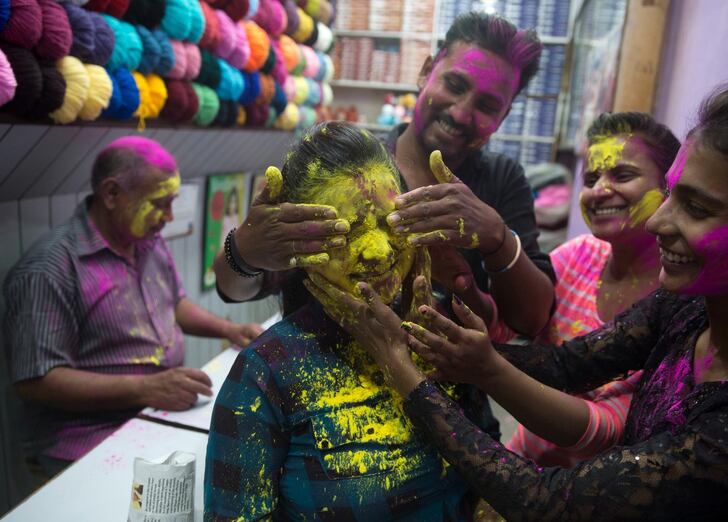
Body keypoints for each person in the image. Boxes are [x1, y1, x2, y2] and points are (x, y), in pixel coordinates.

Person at [307, 79, 728, 519]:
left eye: (696, 208)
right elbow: (567, 365)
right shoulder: (689, 307)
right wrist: (474, 351)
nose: (661, 221)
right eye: (673, 195)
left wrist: (407, 372)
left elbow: (547, 502)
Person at [214, 11, 556, 340]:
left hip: (439, 392)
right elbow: (237, 290)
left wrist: (496, 236)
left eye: (487, 106)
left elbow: (532, 321)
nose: (461, 112)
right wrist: (243, 250)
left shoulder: (501, 180)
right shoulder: (342, 171)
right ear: (426, 71)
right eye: (454, 84)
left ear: (505, 114)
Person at [204, 122, 471, 521]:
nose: (378, 251)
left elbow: (487, 475)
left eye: (388, 222)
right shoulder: (266, 373)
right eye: (347, 231)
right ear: (298, 240)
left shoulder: (442, 333)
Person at [3, 136, 263, 480]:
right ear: (112, 194)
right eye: (159, 203)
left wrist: (228, 329)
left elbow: (174, 304)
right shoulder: (50, 268)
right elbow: (37, 382)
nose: (169, 217)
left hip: (154, 412)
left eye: (173, 203)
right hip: (83, 442)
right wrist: (145, 387)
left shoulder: (146, 242)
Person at [506, 112, 680, 467]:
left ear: (670, 186)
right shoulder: (579, 254)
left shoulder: (681, 293)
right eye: (591, 178)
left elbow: (605, 432)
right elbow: (507, 324)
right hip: (519, 465)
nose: (599, 191)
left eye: (623, 175)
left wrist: (486, 368)